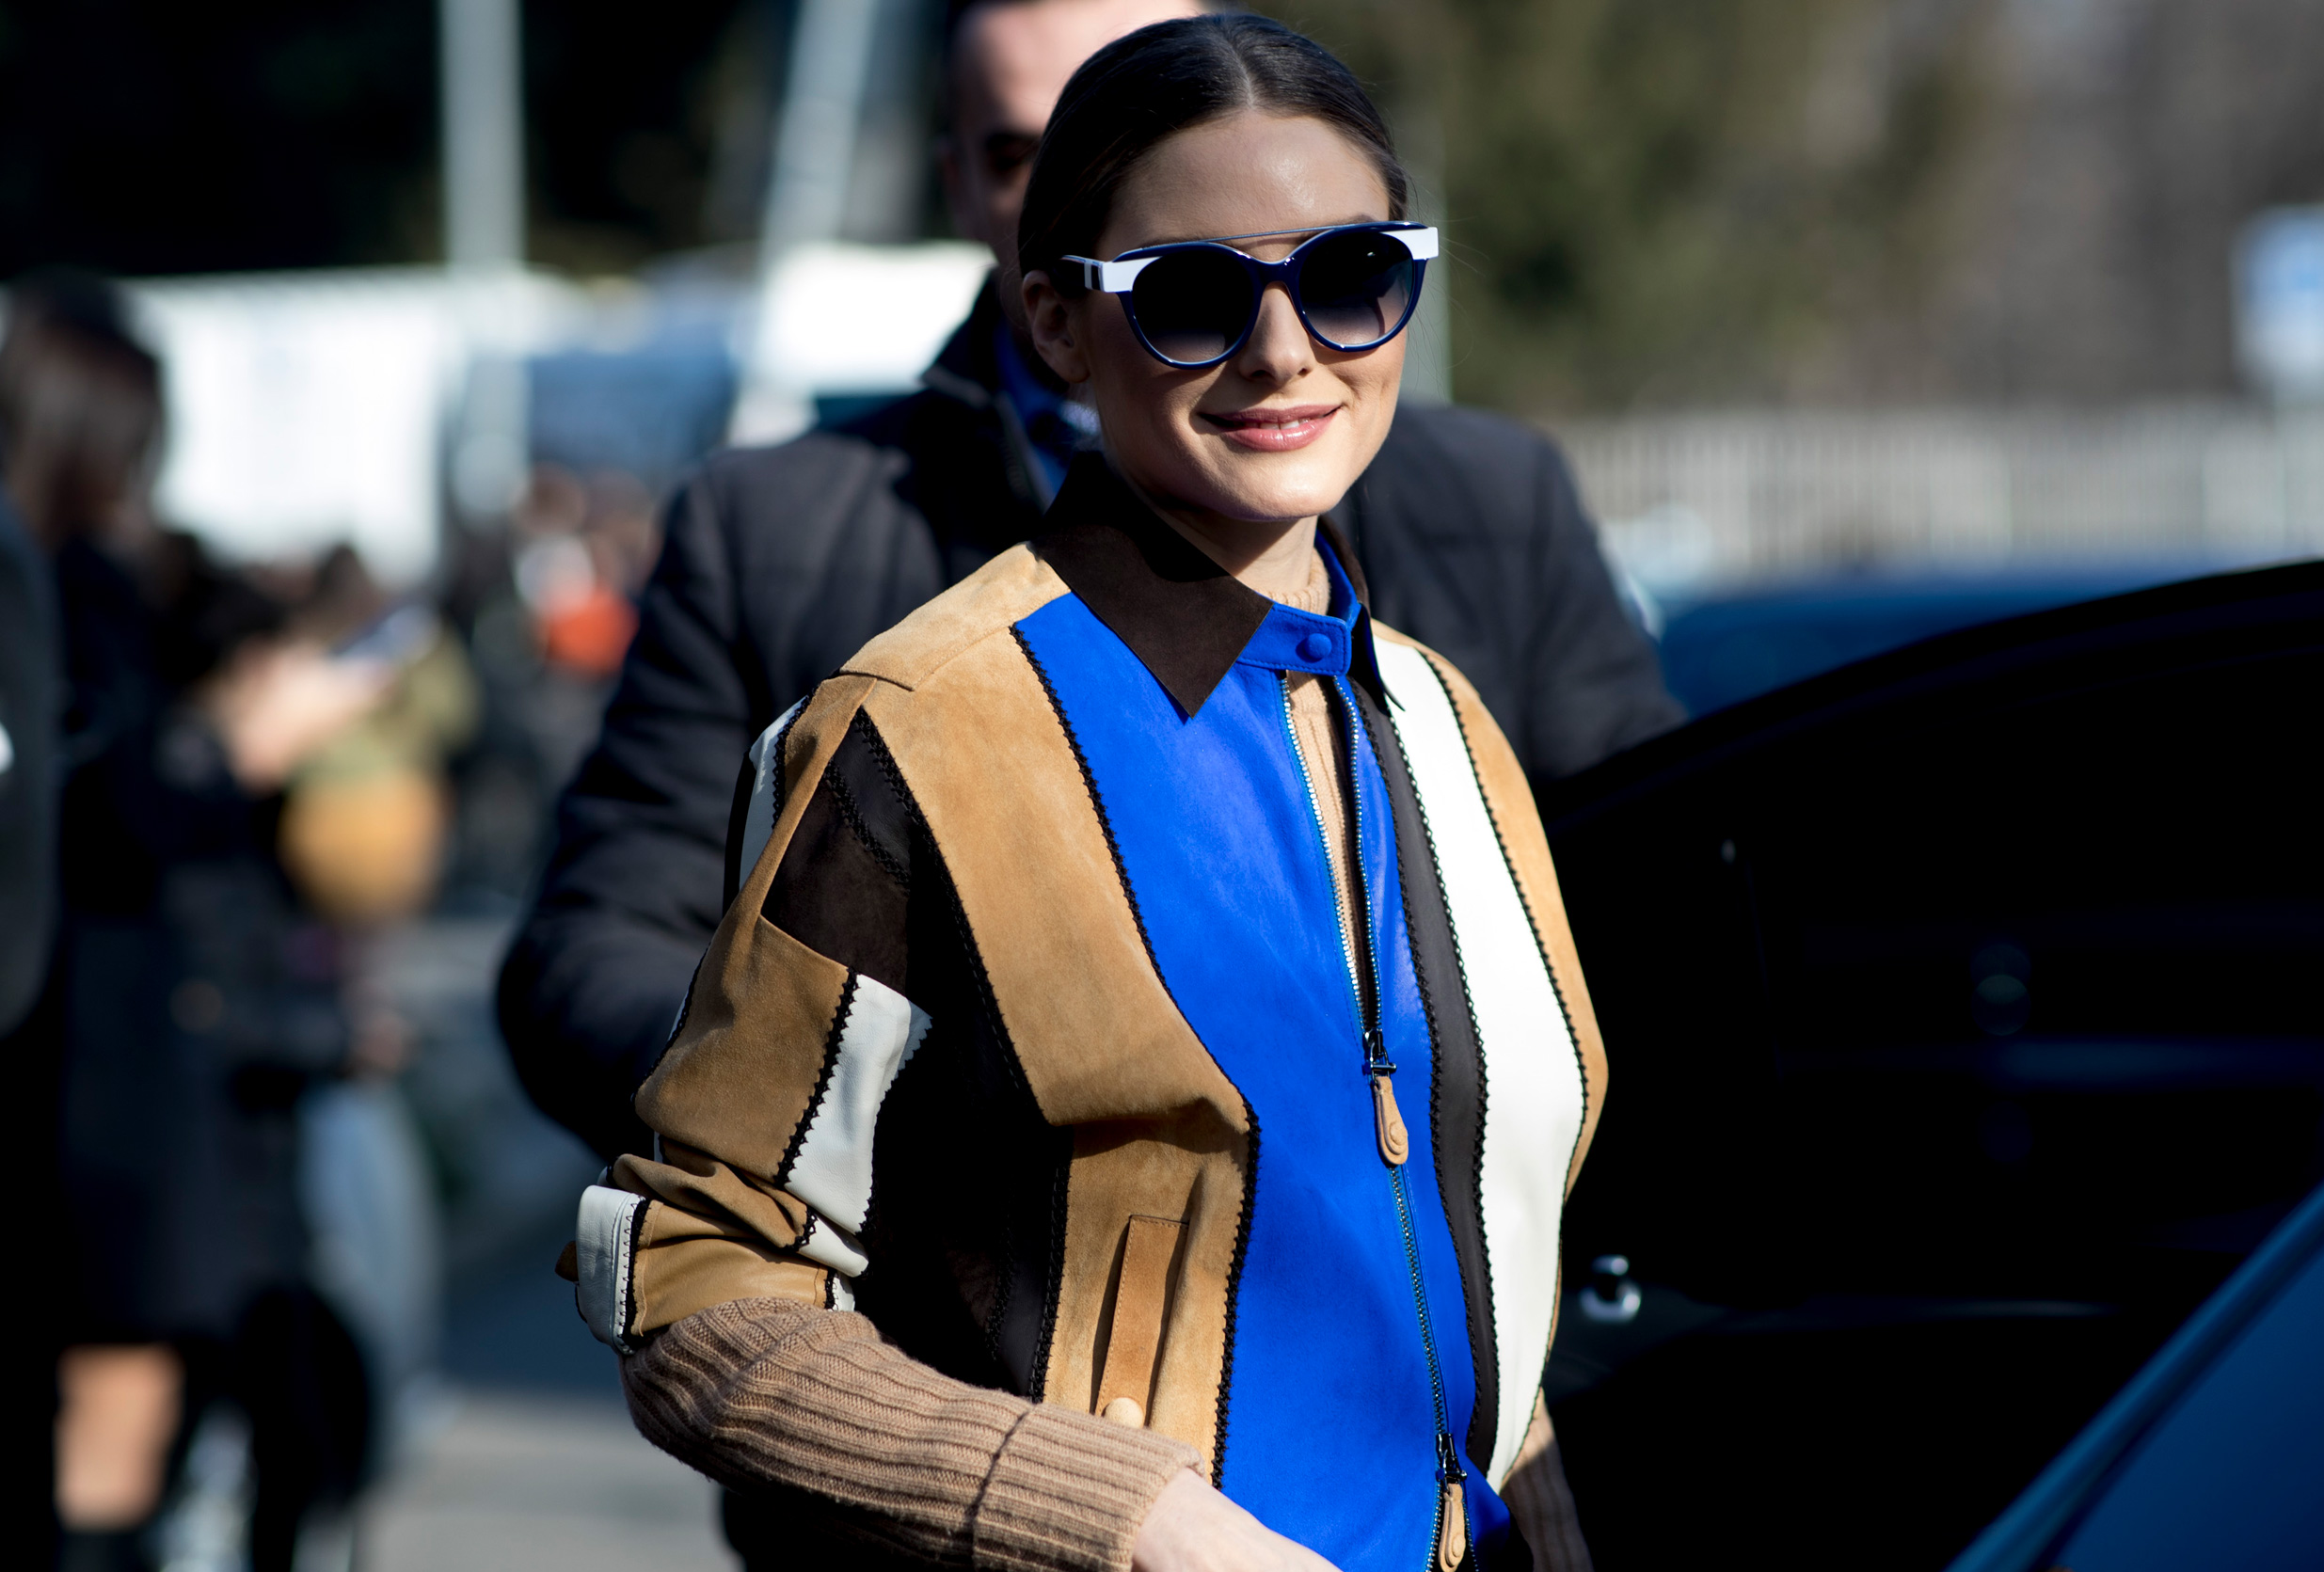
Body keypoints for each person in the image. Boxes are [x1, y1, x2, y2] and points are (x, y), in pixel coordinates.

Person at [569, 17, 1647, 1572]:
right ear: (1059, 319)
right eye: (1194, 295)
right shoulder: (916, 733)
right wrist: (1136, 1523)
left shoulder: (1449, 724)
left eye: (1352, 277)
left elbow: (1478, 1345)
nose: (1286, 353)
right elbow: (693, 1282)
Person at [498, 0, 1683, 1167]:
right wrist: (890, 1155)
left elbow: (1662, 906)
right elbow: (603, 949)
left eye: (1348, 270)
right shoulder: (781, 544)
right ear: (967, 190)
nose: (1279, 350)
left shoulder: (1486, 518)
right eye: (1033, 149)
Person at [4, 273, 388, 1572]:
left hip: (68, 1053)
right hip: (113, 1063)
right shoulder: (68, 588)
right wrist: (245, 748)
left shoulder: (59, 582)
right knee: (113, 1423)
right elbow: (124, 811)